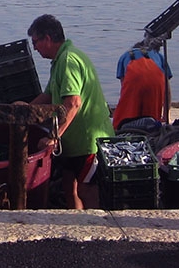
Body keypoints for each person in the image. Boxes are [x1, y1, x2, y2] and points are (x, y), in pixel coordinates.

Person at [27, 14, 114, 210]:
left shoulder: (69, 60)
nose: (34, 48)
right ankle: (75, 229)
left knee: (86, 190)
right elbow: (48, 95)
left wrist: (54, 136)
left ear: (47, 39)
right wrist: (24, 110)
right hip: (72, 143)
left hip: (88, 141)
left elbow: (73, 102)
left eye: (36, 42)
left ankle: (97, 233)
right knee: (69, 188)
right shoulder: (59, 61)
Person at [112, 37, 172, 130]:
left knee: (123, 119)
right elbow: (167, 90)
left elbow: (124, 88)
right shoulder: (159, 55)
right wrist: (166, 115)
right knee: (152, 119)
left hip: (134, 80)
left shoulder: (125, 56)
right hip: (156, 82)